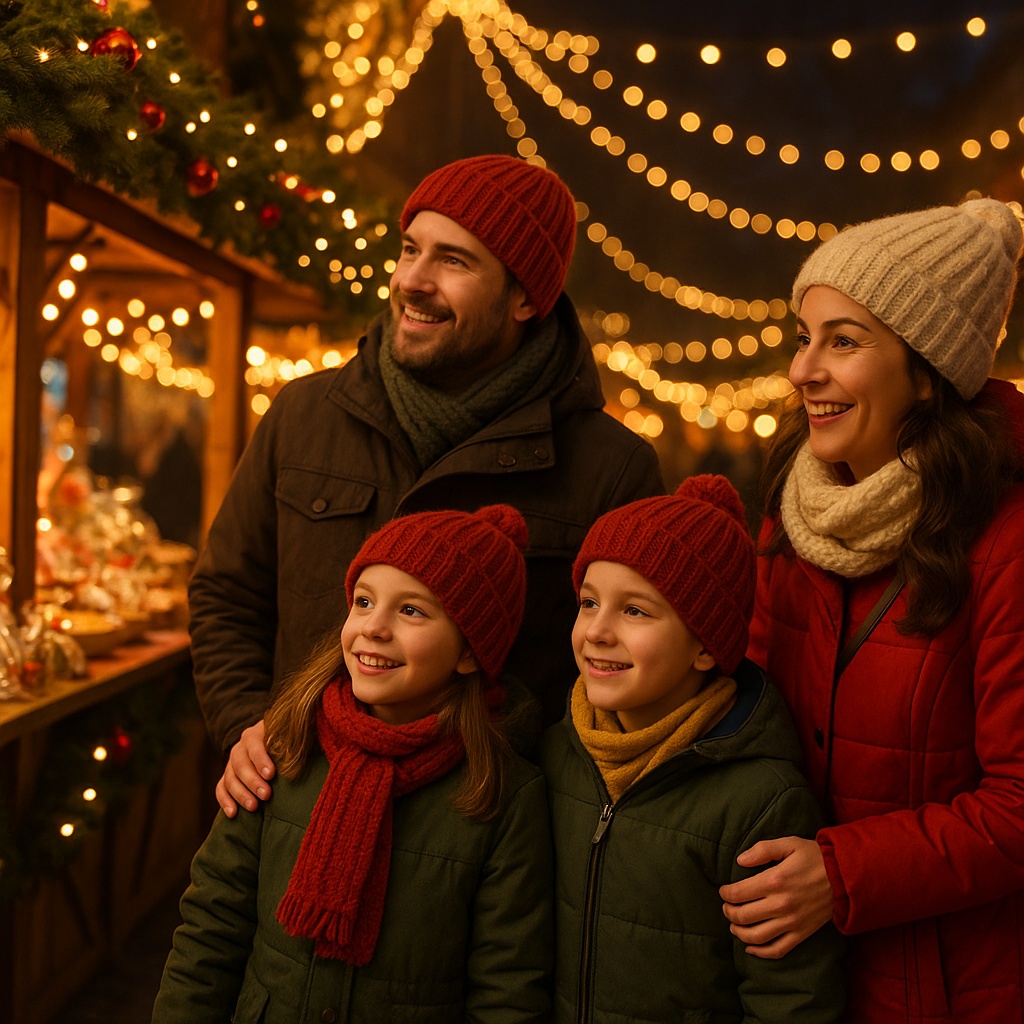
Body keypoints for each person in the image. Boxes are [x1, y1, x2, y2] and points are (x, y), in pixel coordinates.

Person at [188, 154, 664, 817]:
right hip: (292, 804)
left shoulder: (611, 469)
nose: (412, 280)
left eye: (454, 261)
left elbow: (629, 679)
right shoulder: (302, 417)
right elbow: (228, 595)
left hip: (489, 842)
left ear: (528, 296)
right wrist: (247, 724)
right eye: (410, 249)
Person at [720, 199, 1024, 1023]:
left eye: (843, 342)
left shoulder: (1008, 538)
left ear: (926, 373)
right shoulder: (792, 513)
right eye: (803, 336)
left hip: (950, 988)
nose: (801, 370)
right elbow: (742, 711)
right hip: (795, 980)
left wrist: (841, 873)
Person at [153, 505, 553, 1023]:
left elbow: (507, 989)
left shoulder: (500, 794)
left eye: (412, 611)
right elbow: (212, 924)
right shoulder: (287, 745)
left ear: (471, 651)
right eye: (364, 601)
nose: (374, 628)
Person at [541, 476, 845, 1023]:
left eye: (635, 611)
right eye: (588, 603)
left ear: (706, 644)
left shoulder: (760, 800)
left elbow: (790, 999)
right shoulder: (558, 751)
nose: (597, 631)